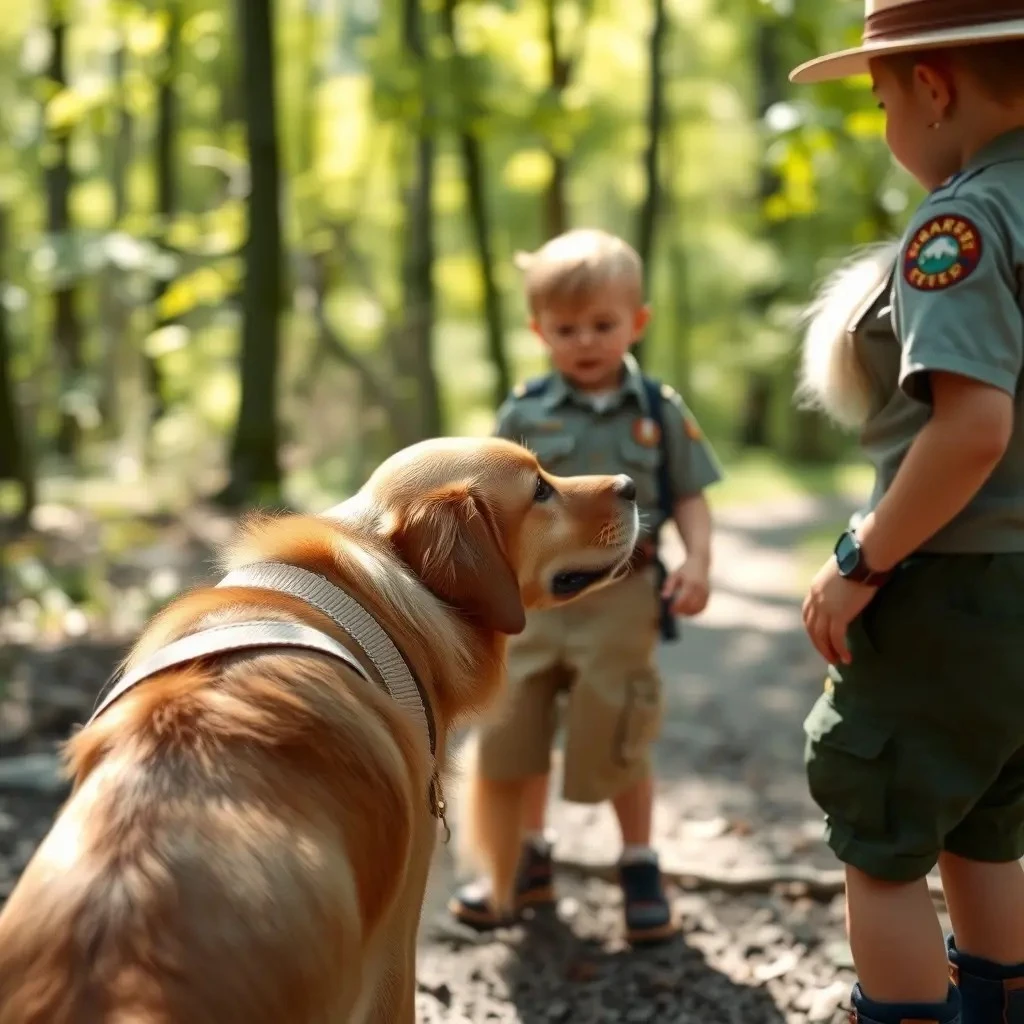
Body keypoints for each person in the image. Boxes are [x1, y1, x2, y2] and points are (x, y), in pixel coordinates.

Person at [790, 5, 1024, 1024]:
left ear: (932, 88)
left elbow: (971, 429)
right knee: (990, 817)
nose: (888, 123)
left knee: (881, 835)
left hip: (952, 582)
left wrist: (861, 556)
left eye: (883, 100)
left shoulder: (959, 224)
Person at [447, 228, 722, 945]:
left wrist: (697, 560)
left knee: (618, 723)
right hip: (535, 601)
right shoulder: (524, 413)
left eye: (603, 324)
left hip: (623, 596)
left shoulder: (658, 410)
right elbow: (494, 506)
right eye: (566, 328)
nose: (586, 341)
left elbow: (690, 494)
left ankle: (639, 863)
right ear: (540, 331)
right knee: (517, 727)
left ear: (637, 322)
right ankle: (522, 862)